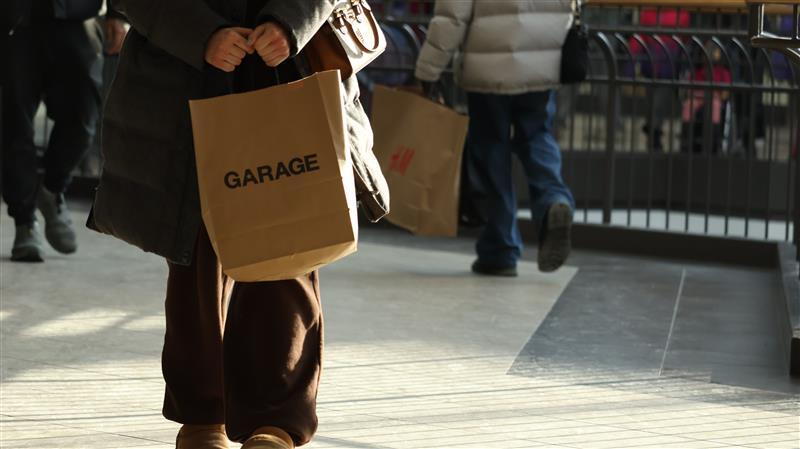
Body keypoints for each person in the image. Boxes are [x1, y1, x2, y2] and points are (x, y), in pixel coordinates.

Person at [87, 1, 387, 448]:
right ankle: (203, 413)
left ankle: (277, 419)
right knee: (193, 253)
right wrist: (198, 34)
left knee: (289, 245)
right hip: (184, 69)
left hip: (287, 64)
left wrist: (292, 23)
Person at [415, 0, 576, 276]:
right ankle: (552, 200)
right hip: (542, 60)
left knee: (491, 151)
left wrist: (428, 70)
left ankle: (500, 250)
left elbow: (453, 15)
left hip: (487, 65)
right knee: (537, 136)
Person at [1, 0, 127, 262]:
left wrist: (117, 12)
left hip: (78, 17)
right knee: (15, 125)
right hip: (16, 20)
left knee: (83, 119)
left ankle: (52, 188)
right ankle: (25, 223)